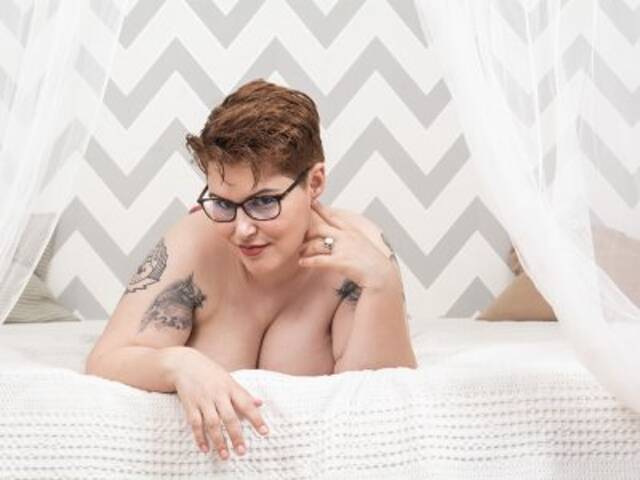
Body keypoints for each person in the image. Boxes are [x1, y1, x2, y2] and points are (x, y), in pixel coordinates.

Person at [84, 78, 417, 461]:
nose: (242, 229)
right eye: (224, 203)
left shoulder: (359, 259)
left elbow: (377, 412)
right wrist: (178, 363)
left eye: (263, 202)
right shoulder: (195, 239)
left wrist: (381, 283)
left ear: (315, 182)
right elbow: (106, 359)